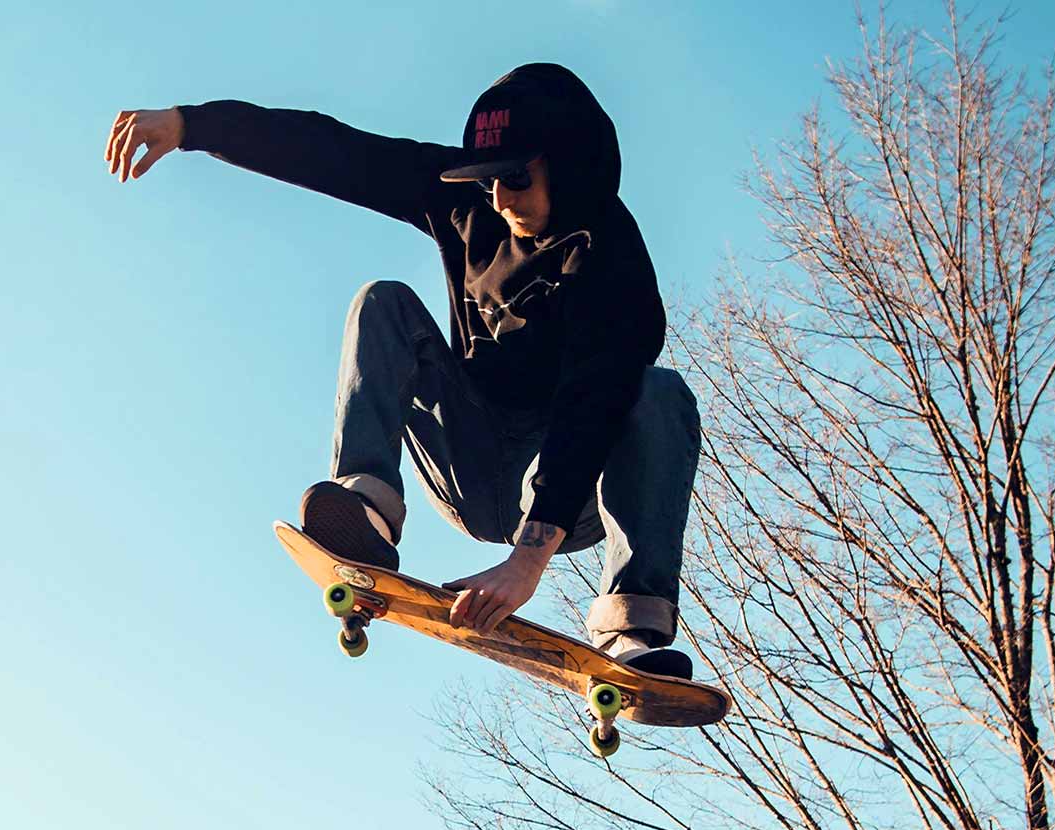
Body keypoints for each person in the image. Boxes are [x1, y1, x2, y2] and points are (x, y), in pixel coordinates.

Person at [107, 64, 699, 677]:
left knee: (657, 394)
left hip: (563, 486)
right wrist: (192, 126)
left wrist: (528, 561)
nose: (498, 198)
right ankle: (369, 508)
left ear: (572, 166)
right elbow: (338, 153)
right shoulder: (468, 204)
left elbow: (592, 406)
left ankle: (632, 629)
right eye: (488, 180)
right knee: (383, 301)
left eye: (515, 179)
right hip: (468, 457)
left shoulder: (612, 262)